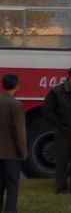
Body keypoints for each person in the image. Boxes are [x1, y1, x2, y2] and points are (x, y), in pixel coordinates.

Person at [42, 64, 71, 194]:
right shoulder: (57, 91)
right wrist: (58, 123)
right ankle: (61, 188)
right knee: (61, 161)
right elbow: (46, 110)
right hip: (63, 131)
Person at [0, 74, 26, 213]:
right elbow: (19, 132)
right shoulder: (15, 105)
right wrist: (23, 152)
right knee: (12, 184)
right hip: (11, 153)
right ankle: (10, 210)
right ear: (17, 86)